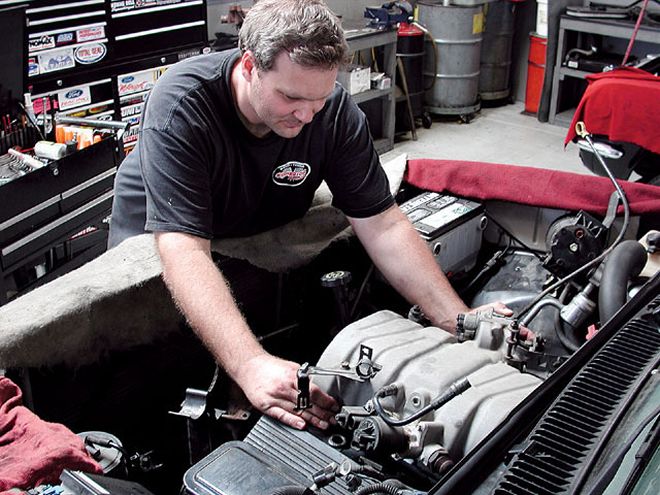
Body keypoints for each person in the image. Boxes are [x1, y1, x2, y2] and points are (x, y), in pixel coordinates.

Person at [109, 0, 510, 432]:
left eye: (318, 98)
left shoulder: (331, 112)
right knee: (156, 375)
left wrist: (459, 318)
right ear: (249, 66)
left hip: (252, 241)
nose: (306, 115)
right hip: (159, 251)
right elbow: (184, 252)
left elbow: (384, 224)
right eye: (291, 96)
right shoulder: (183, 105)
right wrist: (250, 365)